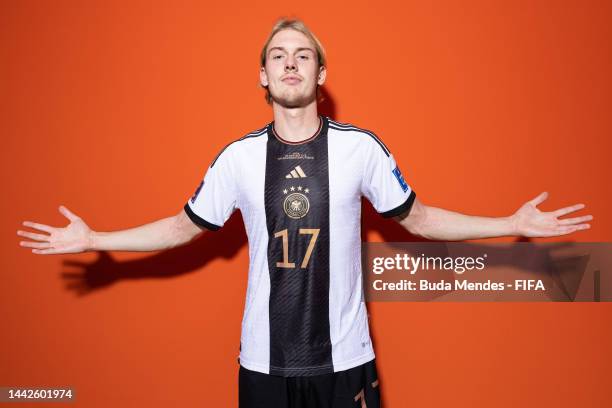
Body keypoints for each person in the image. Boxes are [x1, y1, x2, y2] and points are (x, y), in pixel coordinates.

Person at [17, 18, 593, 408]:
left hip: (346, 362)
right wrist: (96, 238)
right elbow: (179, 227)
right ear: (264, 77)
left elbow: (418, 219)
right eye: (278, 56)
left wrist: (511, 224)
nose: (290, 64)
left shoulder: (360, 148)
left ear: (320, 75)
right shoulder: (238, 158)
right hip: (264, 368)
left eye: (303, 56)